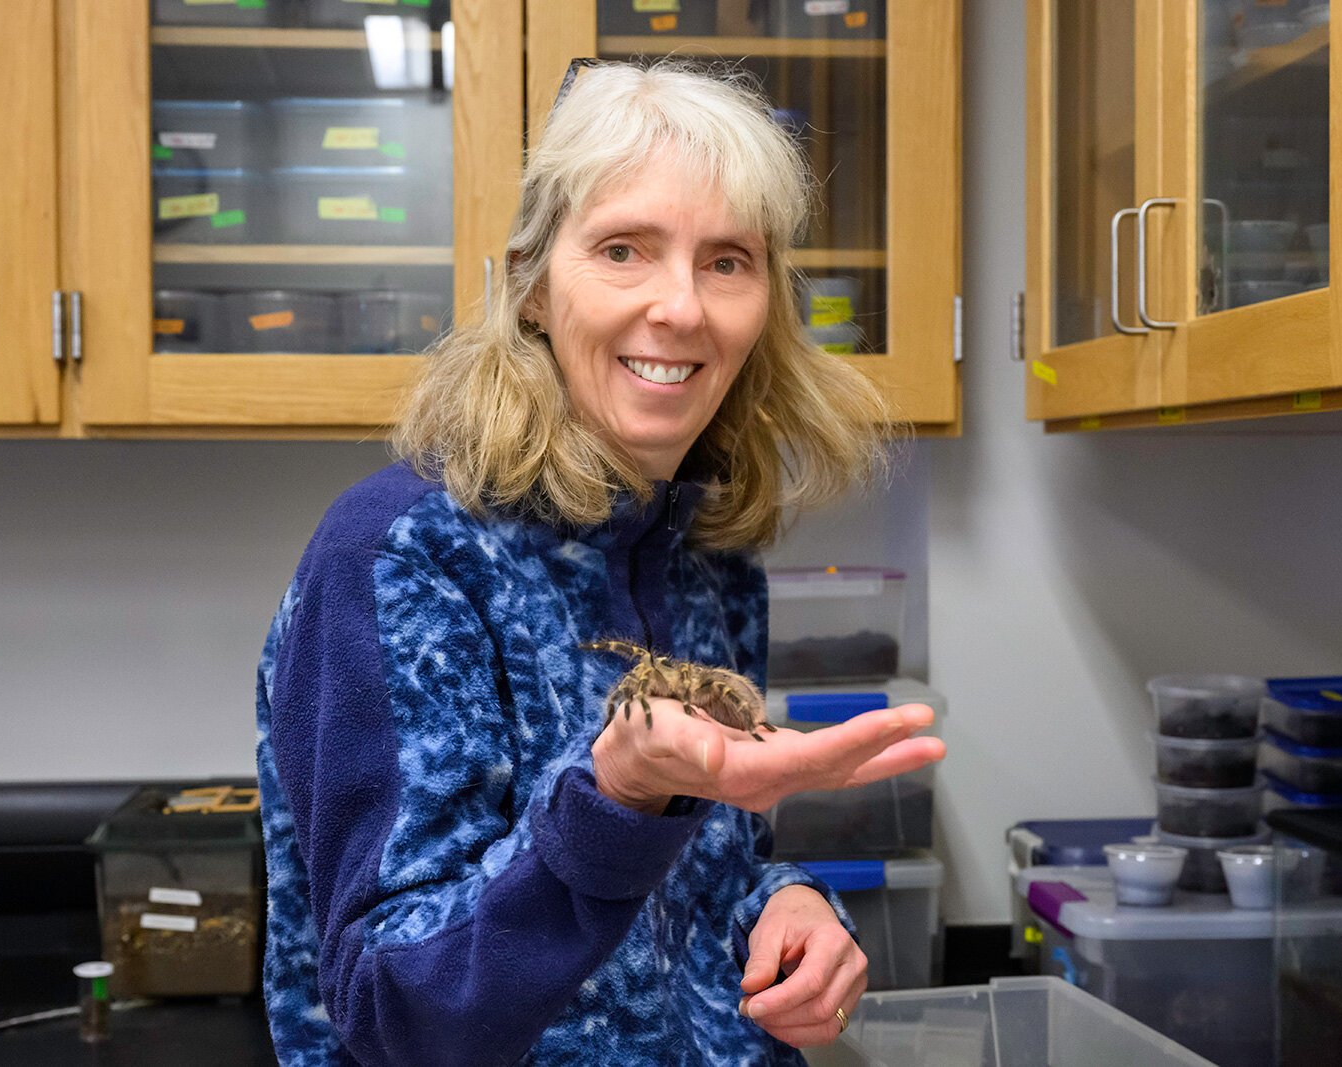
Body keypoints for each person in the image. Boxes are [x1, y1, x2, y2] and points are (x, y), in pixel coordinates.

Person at [255, 58, 946, 1066]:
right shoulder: (399, 561)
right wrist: (613, 796)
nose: (681, 307)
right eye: (624, 249)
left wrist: (783, 903)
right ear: (532, 286)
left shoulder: (706, 548)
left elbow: (706, 866)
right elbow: (392, 1007)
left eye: (727, 260)